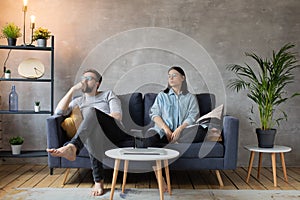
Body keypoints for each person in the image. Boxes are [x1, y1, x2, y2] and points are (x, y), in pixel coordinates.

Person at [46, 69, 130, 196]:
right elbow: (58, 112)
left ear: (97, 83)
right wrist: (72, 90)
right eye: (83, 78)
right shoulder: (78, 101)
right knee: (92, 131)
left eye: (89, 78)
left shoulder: (108, 94)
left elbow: (117, 117)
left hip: (114, 132)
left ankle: (73, 146)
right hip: (93, 135)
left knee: (91, 112)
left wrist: (96, 118)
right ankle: (98, 181)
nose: (84, 81)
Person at [144, 66, 203, 147]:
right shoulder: (162, 96)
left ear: (182, 78)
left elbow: (192, 116)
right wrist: (166, 129)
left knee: (201, 131)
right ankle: (173, 141)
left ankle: (175, 140)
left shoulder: (190, 98)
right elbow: (155, 114)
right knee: (149, 136)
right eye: (169, 76)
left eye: (174, 75)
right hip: (163, 132)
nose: (171, 78)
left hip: (183, 132)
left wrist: (179, 129)